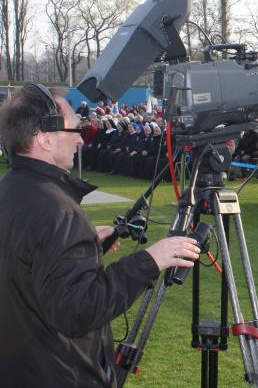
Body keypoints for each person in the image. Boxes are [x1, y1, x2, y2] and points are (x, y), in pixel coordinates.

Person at [0, 85, 200, 387]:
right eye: (74, 130)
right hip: (58, 372)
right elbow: (78, 311)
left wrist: (80, 246)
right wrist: (149, 260)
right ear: (44, 138)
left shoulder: (11, 189)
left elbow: (24, 265)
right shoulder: (58, 212)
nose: (80, 139)